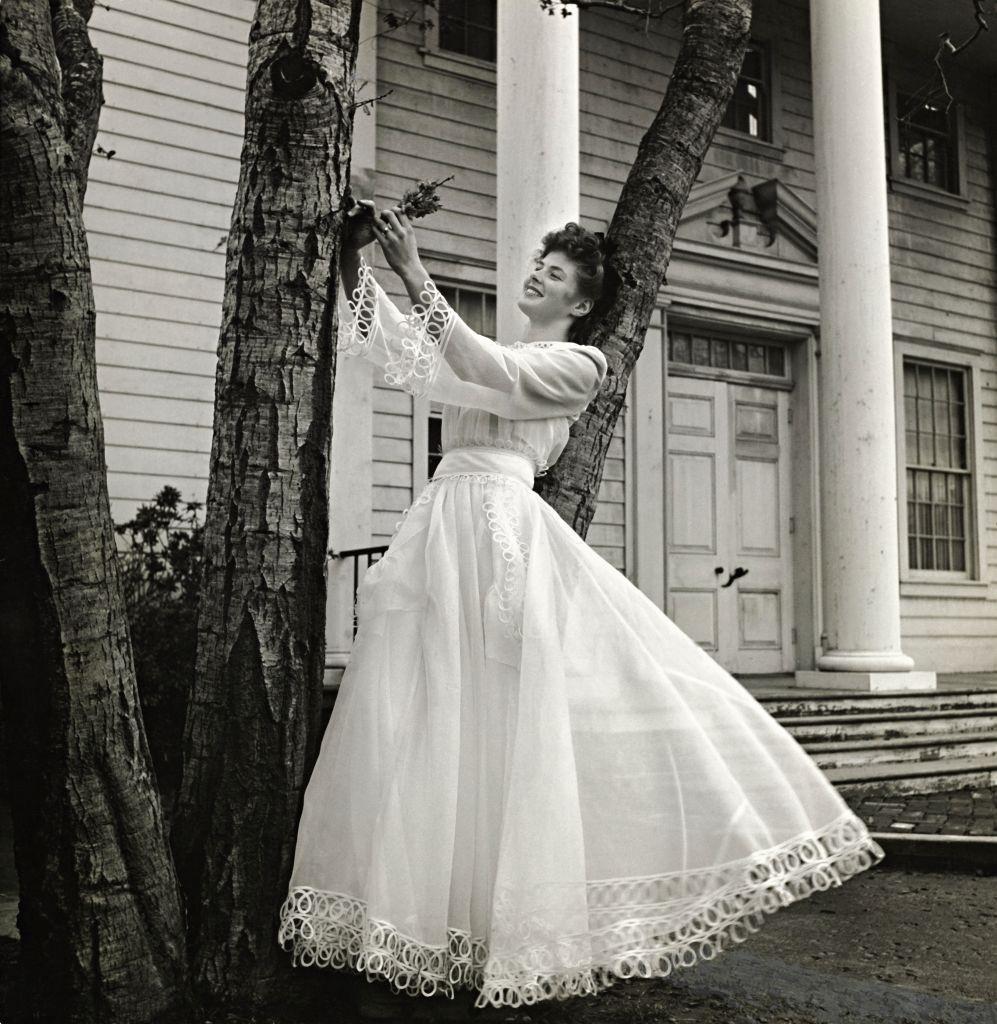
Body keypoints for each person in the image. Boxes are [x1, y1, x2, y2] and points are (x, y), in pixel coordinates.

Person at [277, 202, 886, 1020]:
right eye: (538, 265)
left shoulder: (579, 365)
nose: (536, 276)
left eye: (555, 274)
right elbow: (400, 349)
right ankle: (415, 926)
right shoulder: (496, 352)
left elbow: (483, 366)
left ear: (580, 302)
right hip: (440, 531)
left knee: (500, 721)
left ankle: (506, 928)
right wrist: (358, 263)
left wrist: (415, 270)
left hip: (496, 539)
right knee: (417, 718)